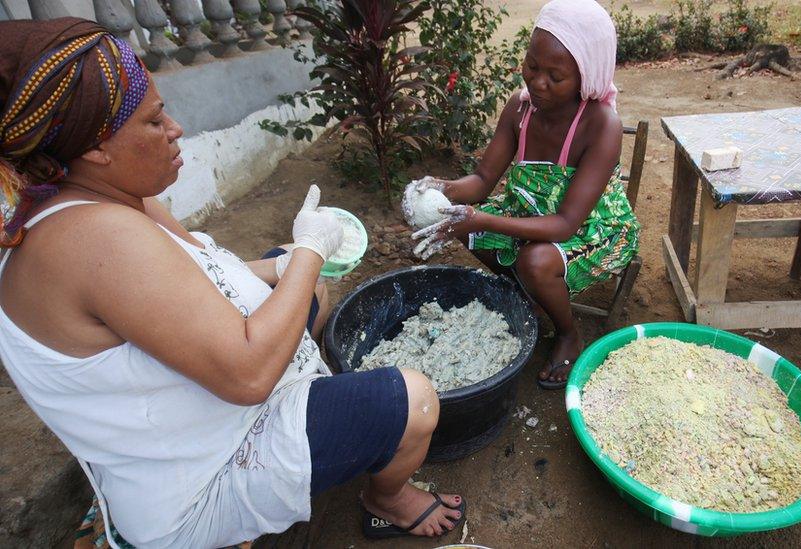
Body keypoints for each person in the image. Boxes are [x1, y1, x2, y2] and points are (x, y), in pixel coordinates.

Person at [0, 18, 463, 548]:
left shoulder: (98, 193)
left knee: (301, 280)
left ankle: (320, 407)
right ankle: (387, 502)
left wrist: (286, 266)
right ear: (96, 147)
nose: (175, 129)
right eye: (154, 122)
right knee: (416, 400)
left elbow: (189, 276)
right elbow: (248, 378)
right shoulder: (93, 240)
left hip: (194, 412)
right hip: (197, 480)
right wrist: (311, 249)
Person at [409, 0, 640, 389]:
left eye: (555, 75)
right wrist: (442, 190)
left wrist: (481, 218)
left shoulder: (601, 125)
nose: (537, 82)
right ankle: (527, 292)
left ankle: (568, 333)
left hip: (592, 227)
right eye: (532, 66)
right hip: (529, 211)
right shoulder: (520, 108)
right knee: (462, 226)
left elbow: (566, 223)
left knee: (534, 260)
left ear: (586, 76)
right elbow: (483, 179)